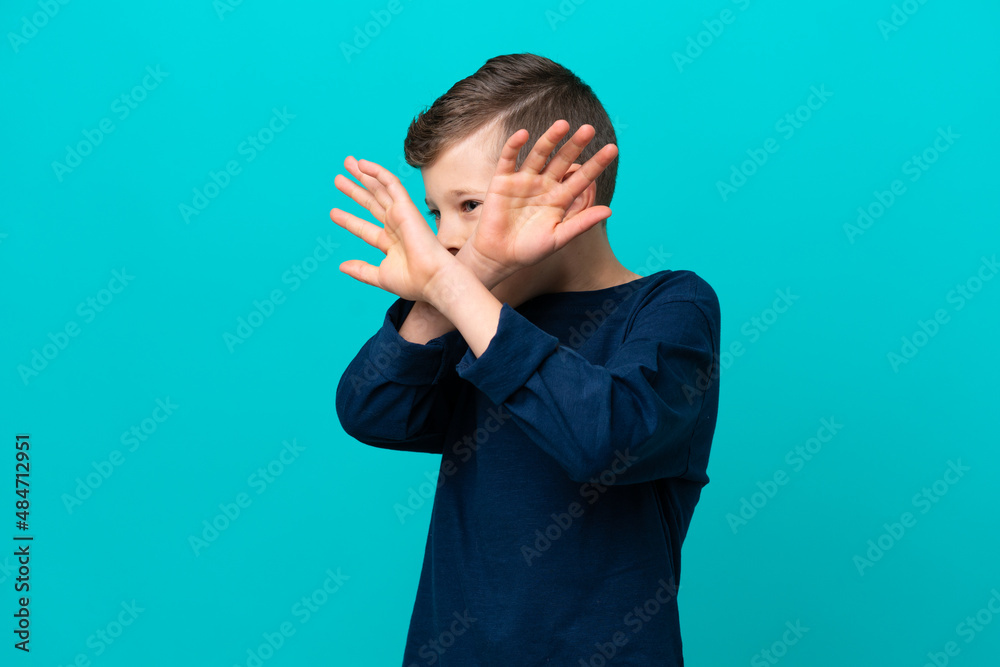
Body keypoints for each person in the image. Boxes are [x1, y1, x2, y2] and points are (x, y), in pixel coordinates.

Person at [332, 52, 721, 666]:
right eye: (435, 212)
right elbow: (372, 410)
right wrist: (446, 294)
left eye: (469, 206)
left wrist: (454, 287)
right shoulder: (473, 318)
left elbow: (605, 437)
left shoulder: (672, 306)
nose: (445, 240)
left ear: (570, 192)